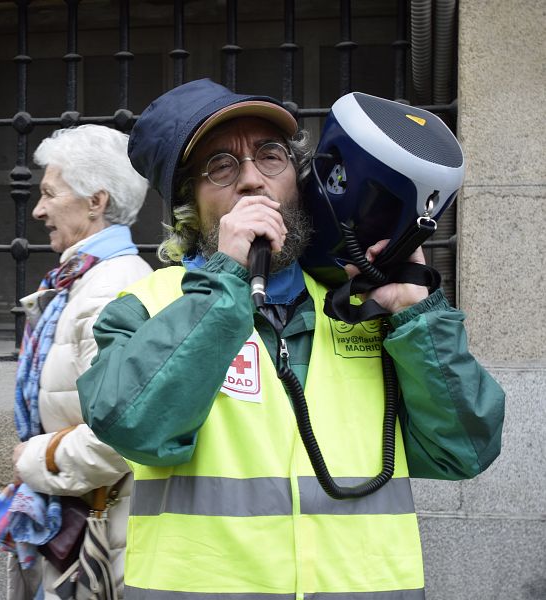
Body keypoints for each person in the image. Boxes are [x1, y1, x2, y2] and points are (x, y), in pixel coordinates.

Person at [78, 79, 505, 598]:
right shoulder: (146, 307)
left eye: (270, 156)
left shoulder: (361, 307)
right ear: (189, 205)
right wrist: (227, 278)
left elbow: (466, 450)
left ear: (299, 179)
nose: (252, 180)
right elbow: (132, 427)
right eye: (220, 167)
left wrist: (419, 316)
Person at [10, 125, 153, 599]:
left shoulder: (111, 288)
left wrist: (37, 458)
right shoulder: (85, 279)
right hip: (81, 525)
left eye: (50, 193)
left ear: (96, 201)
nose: (39, 210)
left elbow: (121, 431)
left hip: (99, 536)